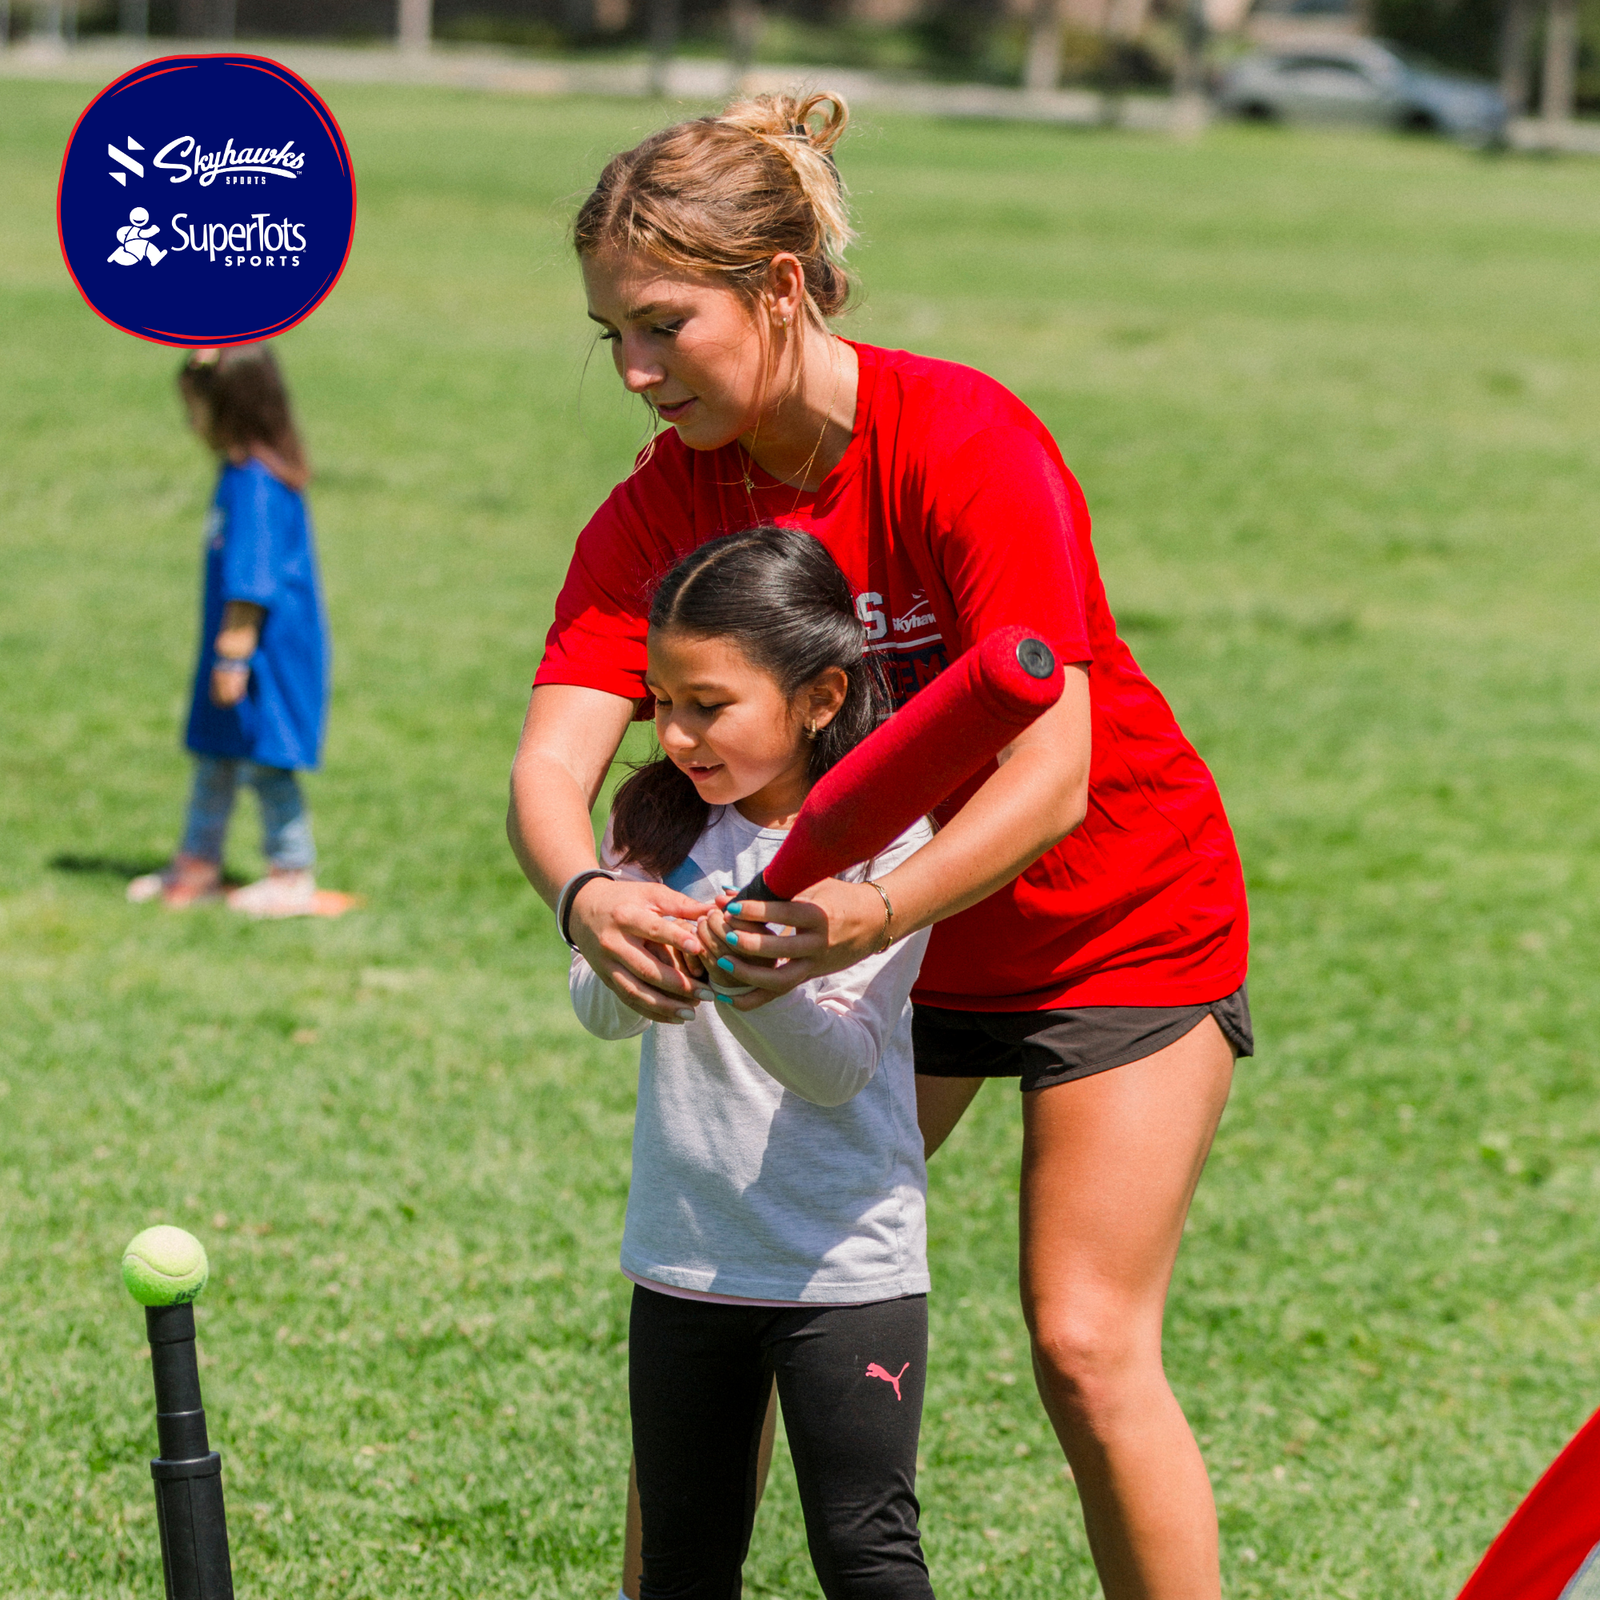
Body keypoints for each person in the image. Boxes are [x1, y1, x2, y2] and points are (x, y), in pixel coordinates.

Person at [507, 89, 1251, 1600]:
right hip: (873, 957)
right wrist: (584, 891)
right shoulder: (668, 507)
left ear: (777, 288)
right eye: (613, 338)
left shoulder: (961, 438)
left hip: (1103, 921)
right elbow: (552, 757)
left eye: (666, 327)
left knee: (1087, 1341)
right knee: (741, 1288)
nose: (638, 372)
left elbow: (1052, 773)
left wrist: (862, 909)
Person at [569, 525, 938, 1600]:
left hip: (846, 1267)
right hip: (688, 1255)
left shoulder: (890, 844)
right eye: (660, 701)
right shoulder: (651, 818)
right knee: (683, 1562)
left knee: (867, 1559)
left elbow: (836, 1068)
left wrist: (739, 975)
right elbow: (602, 1014)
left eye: (708, 704)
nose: (676, 734)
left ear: (820, 699)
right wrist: (637, 952)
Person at [128, 344, 338, 918]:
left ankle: (291, 873)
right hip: (237, 652)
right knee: (215, 756)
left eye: (195, 409)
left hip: (260, 657)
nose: (188, 422)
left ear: (232, 408)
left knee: (266, 764)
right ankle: (197, 864)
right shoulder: (239, 473)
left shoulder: (258, 486)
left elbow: (253, 583)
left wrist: (231, 659)